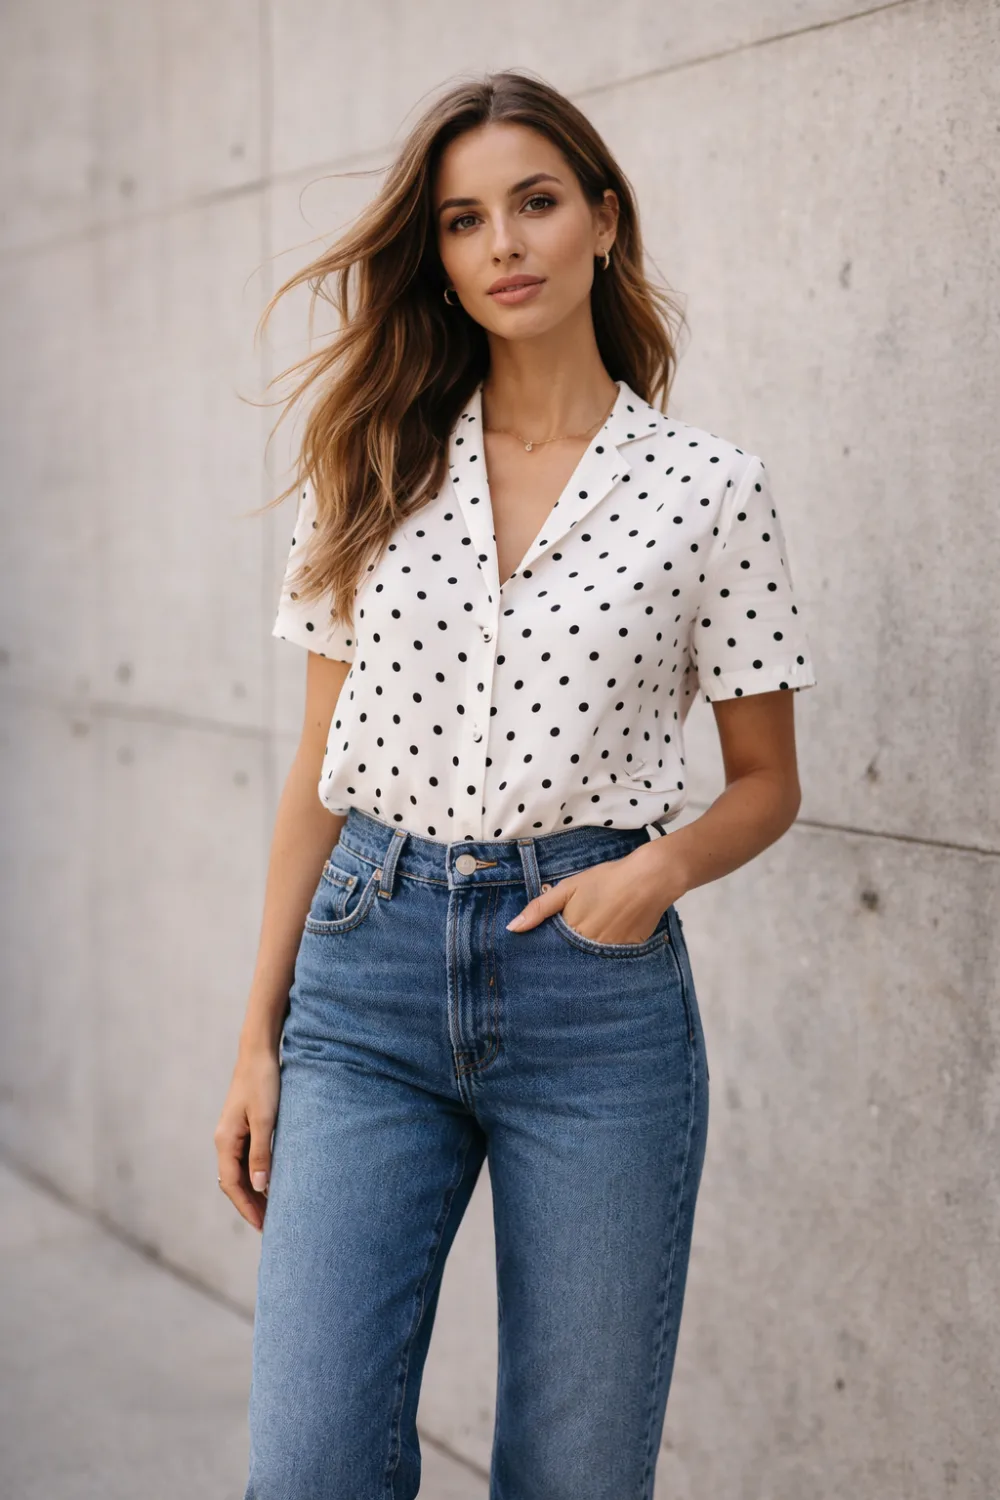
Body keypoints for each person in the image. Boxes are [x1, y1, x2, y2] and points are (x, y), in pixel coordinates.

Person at [216, 68, 817, 1500]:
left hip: (592, 1000)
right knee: (306, 1468)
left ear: (603, 220)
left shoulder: (711, 491)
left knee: (573, 1476)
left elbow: (765, 782)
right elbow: (318, 764)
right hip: (364, 985)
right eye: (466, 219)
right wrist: (255, 1035)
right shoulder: (371, 463)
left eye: (537, 203)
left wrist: (651, 873)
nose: (505, 244)